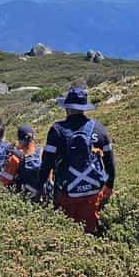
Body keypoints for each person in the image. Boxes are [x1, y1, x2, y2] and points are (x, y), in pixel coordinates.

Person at [40, 87, 116, 235]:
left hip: (66, 194)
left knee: (67, 235)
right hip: (93, 193)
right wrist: (109, 186)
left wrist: (40, 186)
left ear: (67, 108)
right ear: (84, 108)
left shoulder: (57, 129)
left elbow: (46, 163)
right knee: (93, 233)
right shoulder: (99, 129)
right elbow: (110, 162)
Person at [1, 124, 46, 200]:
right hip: (42, 197)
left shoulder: (15, 157)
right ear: (33, 137)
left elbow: (5, 181)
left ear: (20, 140)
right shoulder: (42, 153)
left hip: (24, 198)